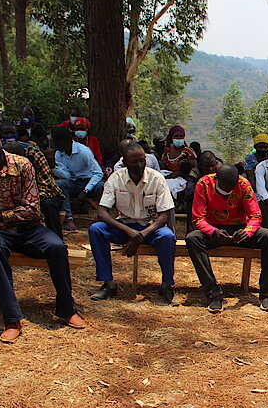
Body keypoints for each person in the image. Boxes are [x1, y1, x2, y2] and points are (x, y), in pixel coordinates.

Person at [0, 125, 84, 343]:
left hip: (28, 229)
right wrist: (9, 218)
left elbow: (32, 210)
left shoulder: (22, 165)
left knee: (57, 247)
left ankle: (66, 309)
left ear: (1, 142)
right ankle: (12, 319)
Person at [88, 142, 177, 304]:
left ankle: (167, 284)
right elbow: (102, 212)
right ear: (125, 162)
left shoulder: (156, 178)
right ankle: (108, 284)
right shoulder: (116, 178)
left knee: (167, 236)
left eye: (142, 160)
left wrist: (140, 235)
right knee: (96, 230)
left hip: (149, 228)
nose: (140, 165)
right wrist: (128, 231)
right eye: (134, 162)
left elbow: (164, 215)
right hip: (124, 226)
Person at [185, 163, 268, 312]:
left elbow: (255, 215)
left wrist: (247, 232)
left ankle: (267, 294)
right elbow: (198, 218)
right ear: (217, 179)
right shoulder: (204, 184)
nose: (228, 191)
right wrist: (214, 232)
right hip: (214, 230)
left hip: (240, 229)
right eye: (224, 188)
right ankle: (214, 294)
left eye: (231, 188)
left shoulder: (243, 184)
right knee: (192, 239)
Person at [2, 142, 66, 238]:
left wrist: (29, 200)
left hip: (44, 195)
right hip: (19, 197)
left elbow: (46, 186)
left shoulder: (36, 156)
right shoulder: (2, 160)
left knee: (48, 205)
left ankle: (56, 238)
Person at [51, 126, 104, 231]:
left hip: (89, 182)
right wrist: (53, 167)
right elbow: (67, 176)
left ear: (61, 142)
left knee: (101, 187)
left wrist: (86, 190)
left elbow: (98, 173)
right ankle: (68, 217)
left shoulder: (84, 151)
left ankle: (102, 216)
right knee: (60, 184)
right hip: (74, 182)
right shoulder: (59, 154)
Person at [184, 151, 220, 232]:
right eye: (207, 166)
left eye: (212, 166)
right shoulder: (195, 172)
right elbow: (188, 193)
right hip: (202, 203)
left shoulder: (221, 170)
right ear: (200, 165)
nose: (210, 169)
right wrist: (205, 193)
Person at [160, 125, 196, 199]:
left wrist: (178, 173)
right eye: (176, 136)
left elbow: (193, 166)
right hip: (168, 176)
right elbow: (163, 165)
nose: (179, 138)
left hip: (182, 178)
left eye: (181, 136)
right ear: (172, 137)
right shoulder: (167, 151)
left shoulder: (187, 151)